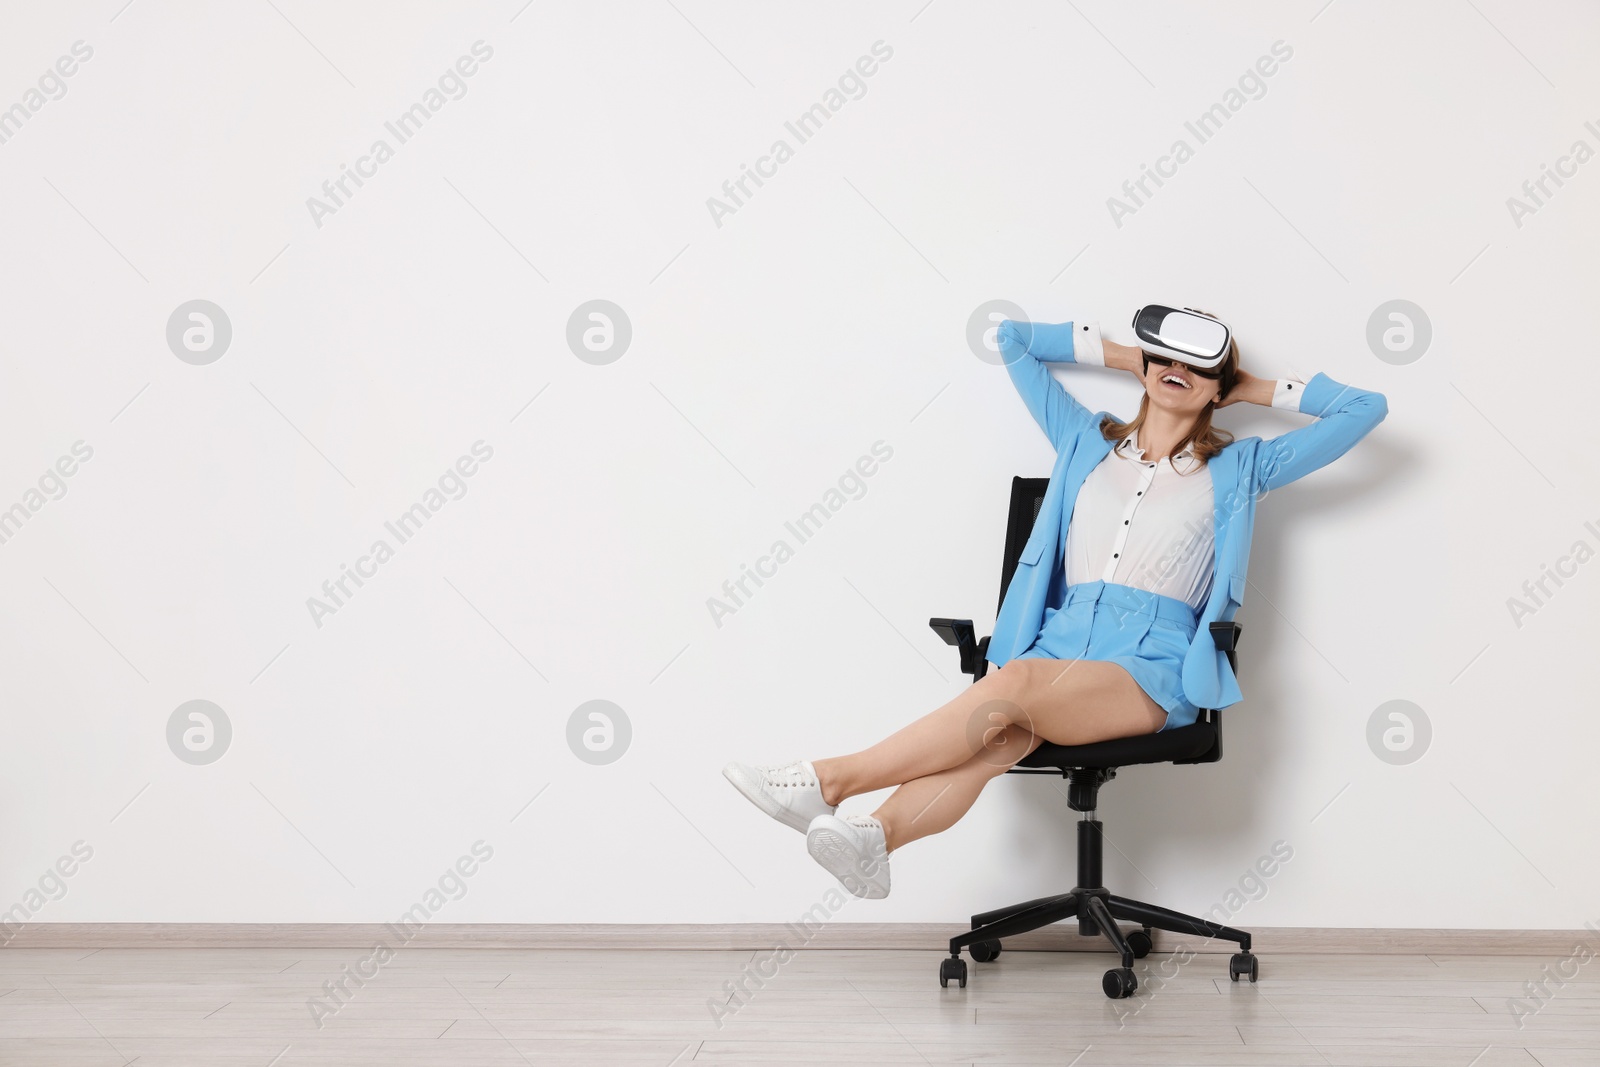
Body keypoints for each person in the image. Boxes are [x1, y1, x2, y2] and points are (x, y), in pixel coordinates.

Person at [724, 312, 1388, 898]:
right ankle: (876, 840)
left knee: (1013, 683)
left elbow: (1364, 409)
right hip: (1062, 643)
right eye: (1166, 356)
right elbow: (1011, 339)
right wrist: (1132, 357)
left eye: (1199, 364)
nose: (1176, 369)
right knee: (994, 743)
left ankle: (827, 781)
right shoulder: (1083, 440)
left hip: (1149, 662)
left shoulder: (1244, 467)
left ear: (1218, 386)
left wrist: (1252, 388)